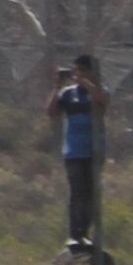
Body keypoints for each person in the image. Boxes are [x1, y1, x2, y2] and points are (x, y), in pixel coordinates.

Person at [50, 53, 106, 252]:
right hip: (73, 152)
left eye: (82, 70)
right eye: (76, 71)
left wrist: (86, 83)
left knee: (90, 193)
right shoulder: (68, 93)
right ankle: (75, 235)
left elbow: (103, 100)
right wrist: (57, 87)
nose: (78, 74)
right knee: (77, 192)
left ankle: (85, 233)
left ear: (92, 72)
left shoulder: (98, 91)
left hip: (94, 152)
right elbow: (52, 113)